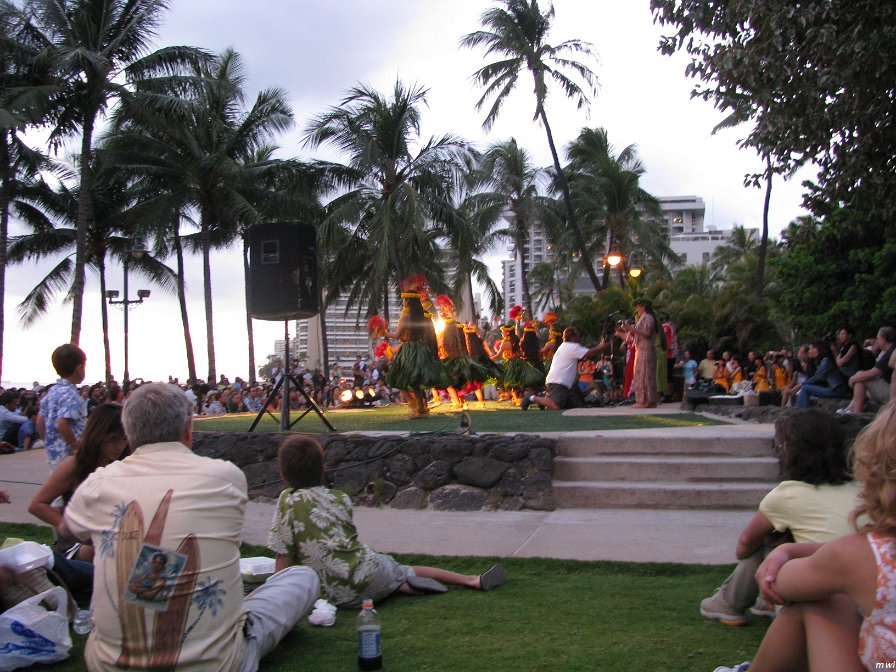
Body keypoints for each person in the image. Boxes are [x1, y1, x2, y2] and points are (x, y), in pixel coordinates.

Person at [57, 383, 319, 672]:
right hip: (220, 664)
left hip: (111, 664)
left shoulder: (98, 484)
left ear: (129, 433)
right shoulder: (226, 476)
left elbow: (69, 532)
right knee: (302, 578)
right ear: (187, 428)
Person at [713, 400, 896, 672]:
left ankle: (728, 605)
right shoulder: (852, 497)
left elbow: (762, 564)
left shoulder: (868, 554)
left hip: (875, 651)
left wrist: (784, 549)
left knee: (816, 596)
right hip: (885, 659)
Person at [268, 435, 506, 608]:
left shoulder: (286, 501)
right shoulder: (340, 499)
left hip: (338, 596)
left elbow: (283, 556)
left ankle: (400, 586)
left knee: (388, 575)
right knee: (401, 568)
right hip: (368, 573)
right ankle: (471, 580)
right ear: (322, 468)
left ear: (282, 474)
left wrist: (275, 596)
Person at [700, 410, 860, 627]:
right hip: (864, 595)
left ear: (791, 453)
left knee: (763, 545)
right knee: (783, 542)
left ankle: (728, 602)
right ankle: (761, 604)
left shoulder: (788, 494)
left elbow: (744, 546)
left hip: (819, 600)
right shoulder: (861, 489)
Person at [29, 403, 131, 562]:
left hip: (109, 536)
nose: (119, 446)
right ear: (98, 436)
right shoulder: (74, 464)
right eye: (113, 440)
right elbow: (37, 505)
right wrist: (69, 528)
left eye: (124, 440)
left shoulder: (121, 464)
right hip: (77, 543)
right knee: (100, 551)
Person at [522, 326, 606, 411]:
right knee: (556, 405)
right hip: (558, 382)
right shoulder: (571, 346)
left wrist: (601, 346)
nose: (578, 338)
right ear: (573, 337)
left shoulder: (566, 346)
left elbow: (590, 352)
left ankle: (543, 399)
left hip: (565, 384)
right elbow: (590, 353)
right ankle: (531, 398)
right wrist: (603, 346)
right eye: (577, 336)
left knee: (575, 405)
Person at [39, 344, 88, 468]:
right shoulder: (71, 395)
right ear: (79, 368)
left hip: (53, 455)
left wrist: (48, 443)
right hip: (69, 457)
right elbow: (62, 424)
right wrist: (75, 445)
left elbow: (40, 421)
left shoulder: (52, 391)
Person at [838, 326, 896, 415]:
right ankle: (851, 409)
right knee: (860, 376)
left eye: (878, 339)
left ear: (883, 339)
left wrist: (852, 379)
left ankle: (855, 412)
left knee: (861, 378)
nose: (877, 341)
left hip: (891, 394)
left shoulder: (891, 352)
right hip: (888, 387)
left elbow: (873, 373)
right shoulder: (889, 351)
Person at [618, 299, 659, 408]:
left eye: (637, 307)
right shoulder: (644, 317)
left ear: (643, 307)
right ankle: (647, 401)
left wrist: (632, 328)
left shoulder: (648, 318)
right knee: (643, 375)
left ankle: (644, 401)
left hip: (645, 349)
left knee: (644, 375)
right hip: (641, 349)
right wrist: (628, 329)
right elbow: (638, 333)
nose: (636, 309)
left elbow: (646, 333)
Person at [796, 340, 848, 408]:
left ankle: (802, 412)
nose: (809, 351)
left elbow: (817, 377)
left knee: (805, 388)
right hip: (834, 388)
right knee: (804, 389)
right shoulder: (822, 361)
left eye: (812, 348)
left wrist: (801, 384)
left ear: (820, 349)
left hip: (836, 390)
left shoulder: (826, 361)